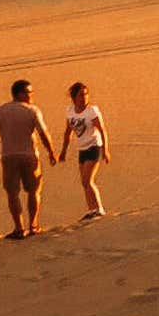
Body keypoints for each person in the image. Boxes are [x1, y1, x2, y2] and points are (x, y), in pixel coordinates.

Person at [0, 79, 58, 239]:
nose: (32, 95)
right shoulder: (32, 110)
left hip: (9, 156)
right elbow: (43, 133)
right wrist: (51, 151)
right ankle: (33, 225)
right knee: (34, 191)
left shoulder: (0, 110)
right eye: (29, 92)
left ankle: (19, 228)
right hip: (29, 156)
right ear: (20, 93)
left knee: (13, 193)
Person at [59, 81, 111, 221]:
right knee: (84, 182)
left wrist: (105, 149)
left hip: (94, 146)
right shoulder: (70, 111)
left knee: (87, 180)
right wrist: (63, 150)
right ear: (74, 97)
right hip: (82, 149)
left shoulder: (92, 111)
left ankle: (99, 209)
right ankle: (92, 209)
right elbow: (68, 132)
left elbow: (102, 130)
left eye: (86, 94)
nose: (84, 97)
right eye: (81, 95)